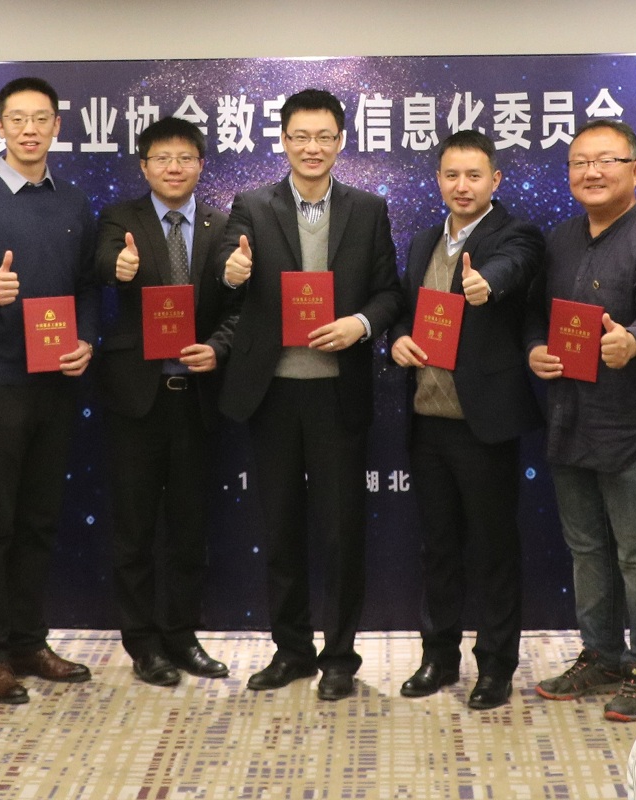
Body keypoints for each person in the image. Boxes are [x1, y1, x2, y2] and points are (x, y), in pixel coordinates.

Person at [212, 88, 404, 702]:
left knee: (341, 533)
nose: (312, 147)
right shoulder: (252, 205)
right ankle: (291, 651)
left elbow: (389, 292)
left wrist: (361, 325)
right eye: (300, 136)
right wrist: (231, 271)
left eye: (324, 137)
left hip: (337, 394)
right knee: (281, 530)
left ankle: (339, 657)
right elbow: (228, 269)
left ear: (341, 141)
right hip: (271, 392)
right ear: (284, 141)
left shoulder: (368, 209)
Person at [525, 119, 636, 722]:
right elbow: (534, 314)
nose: (591, 172)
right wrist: (534, 348)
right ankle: (600, 655)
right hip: (569, 417)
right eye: (580, 162)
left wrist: (633, 341)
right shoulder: (562, 238)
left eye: (606, 161)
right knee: (587, 549)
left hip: (631, 426)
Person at [0, 77, 100, 704]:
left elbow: (88, 283)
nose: (30, 129)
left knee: (39, 519)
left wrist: (86, 338)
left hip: (56, 381)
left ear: (57, 127)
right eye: (18, 119)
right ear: (0, 126)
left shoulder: (74, 201)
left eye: (41, 119)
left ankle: (28, 642)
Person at [387, 130, 544, 710]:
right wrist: (397, 338)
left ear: (494, 180)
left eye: (474, 175)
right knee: (438, 548)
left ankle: (496, 666)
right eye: (451, 175)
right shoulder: (423, 239)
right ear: (438, 180)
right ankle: (439, 657)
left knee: (494, 550)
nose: (462, 186)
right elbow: (404, 309)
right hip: (427, 420)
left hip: (484, 424)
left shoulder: (516, 233)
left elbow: (514, 266)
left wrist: (488, 283)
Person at [92, 117, 232, 687]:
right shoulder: (119, 219)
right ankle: (143, 643)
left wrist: (218, 348)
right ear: (144, 166)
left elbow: (236, 310)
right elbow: (102, 262)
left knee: (189, 528)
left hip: (195, 396)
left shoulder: (223, 225)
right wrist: (117, 266)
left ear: (201, 165)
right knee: (135, 528)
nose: (174, 168)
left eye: (185, 158)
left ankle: (181, 636)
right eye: (162, 158)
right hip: (137, 398)